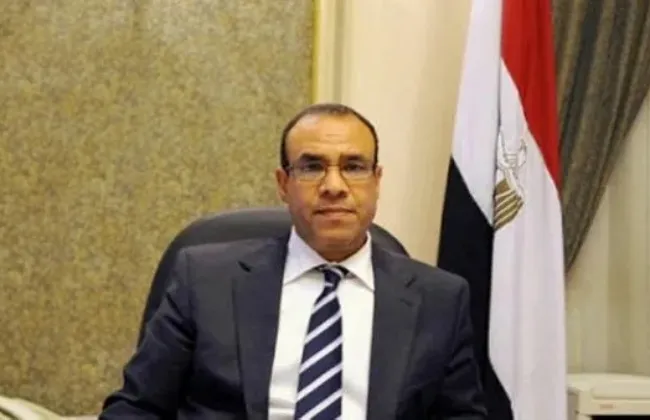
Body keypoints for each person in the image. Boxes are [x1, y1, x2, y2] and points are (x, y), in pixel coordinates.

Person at [100, 103, 486, 419]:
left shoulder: (439, 298)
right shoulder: (204, 281)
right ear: (283, 184)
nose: (334, 186)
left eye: (353, 167)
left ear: (376, 181)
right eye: (312, 167)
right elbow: (136, 409)